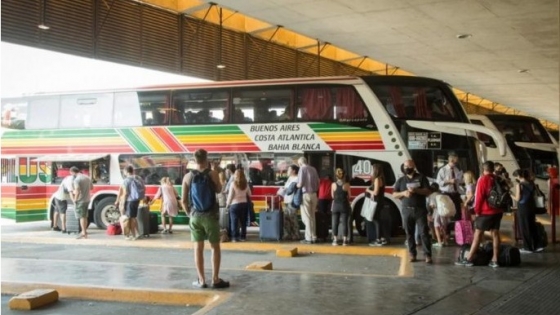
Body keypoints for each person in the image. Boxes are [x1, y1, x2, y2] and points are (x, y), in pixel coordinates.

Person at [181, 149, 229, 289]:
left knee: (198, 248)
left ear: (194, 160)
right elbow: (219, 190)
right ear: (206, 159)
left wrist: (189, 214)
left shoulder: (188, 177)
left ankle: (201, 281)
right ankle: (215, 279)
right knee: (215, 247)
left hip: (195, 216)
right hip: (211, 216)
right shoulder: (212, 173)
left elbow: (184, 200)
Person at [456, 161, 503, 268]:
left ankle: (469, 258)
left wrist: (477, 212)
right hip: (498, 211)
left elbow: (479, 197)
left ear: (483, 169)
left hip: (486, 211)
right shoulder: (497, 178)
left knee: (477, 234)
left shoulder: (483, 179)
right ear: (492, 169)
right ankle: (495, 259)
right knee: (495, 234)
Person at [393, 159, 433, 264]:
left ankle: (427, 255)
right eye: (405, 166)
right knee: (409, 233)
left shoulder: (421, 178)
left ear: (413, 166)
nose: (407, 168)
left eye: (409, 166)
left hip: (420, 210)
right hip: (407, 210)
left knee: (424, 232)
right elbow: (394, 194)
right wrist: (404, 193)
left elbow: (428, 191)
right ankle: (412, 254)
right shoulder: (401, 180)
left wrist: (416, 190)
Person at [511, 169, 543, 253]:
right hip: (531, 207)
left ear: (518, 176)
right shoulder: (532, 183)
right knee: (532, 226)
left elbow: (518, 198)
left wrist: (511, 195)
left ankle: (527, 247)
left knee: (524, 227)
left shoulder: (520, 185)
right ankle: (537, 246)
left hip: (523, 207)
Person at [115, 165, 144, 240]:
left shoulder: (126, 180)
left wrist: (122, 203)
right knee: (133, 217)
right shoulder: (138, 178)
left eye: (124, 171)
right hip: (137, 199)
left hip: (130, 200)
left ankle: (133, 235)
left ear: (126, 172)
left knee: (130, 218)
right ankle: (137, 233)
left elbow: (125, 193)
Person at [297, 156, 320, 244]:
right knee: (312, 217)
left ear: (300, 163)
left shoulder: (302, 169)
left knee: (306, 218)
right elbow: (318, 182)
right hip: (314, 194)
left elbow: (300, 184)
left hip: (306, 195)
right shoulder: (313, 169)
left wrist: (296, 186)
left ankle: (308, 238)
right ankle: (314, 236)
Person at [436, 151, 463, 221]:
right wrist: (449, 181)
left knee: (457, 213)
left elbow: (458, 180)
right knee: (447, 213)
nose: (457, 161)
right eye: (456, 159)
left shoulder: (456, 169)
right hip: (446, 194)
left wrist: (461, 180)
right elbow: (438, 182)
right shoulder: (443, 170)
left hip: (455, 193)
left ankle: (457, 229)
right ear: (451, 160)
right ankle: (447, 229)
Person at [226, 169, 251, 242]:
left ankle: (234, 237)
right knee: (243, 222)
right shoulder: (246, 184)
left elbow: (230, 196)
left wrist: (228, 204)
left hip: (234, 205)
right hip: (244, 204)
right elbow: (250, 194)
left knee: (234, 221)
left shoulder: (233, 183)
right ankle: (243, 237)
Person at [365, 163, 387, 246]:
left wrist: (368, 190)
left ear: (375, 170)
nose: (371, 171)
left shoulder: (377, 179)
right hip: (379, 201)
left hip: (377, 202)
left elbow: (376, 192)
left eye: (372, 169)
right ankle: (382, 238)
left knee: (375, 219)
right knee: (377, 219)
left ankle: (378, 239)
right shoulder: (381, 178)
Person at [277, 164, 301, 241]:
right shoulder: (290, 178)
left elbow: (291, 189)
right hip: (286, 200)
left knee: (293, 218)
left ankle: (296, 235)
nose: (287, 171)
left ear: (294, 171)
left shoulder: (297, 179)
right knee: (286, 218)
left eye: (289, 169)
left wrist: (285, 189)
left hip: (292, 200)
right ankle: (287, 234)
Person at [70, 166, 93, 240]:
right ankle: (84, 232)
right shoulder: (87, 177)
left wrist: (75, 199)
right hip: (87, 199)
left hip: (81, 200)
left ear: (73, 172)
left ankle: (83, 233)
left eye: (71, 173)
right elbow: (91, 188)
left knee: (81, 217)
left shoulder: (77, 180)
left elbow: (77, 190)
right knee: (85, 216)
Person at [331, 168, 350, 246]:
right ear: (343, 175)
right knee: (345, 223)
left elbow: (332, 196)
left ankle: (335, 240)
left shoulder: (333, 184)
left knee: (335, 223)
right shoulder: (347, 184)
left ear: (336, 176)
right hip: (344, 205)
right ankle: (344, 241)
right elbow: (350, 195)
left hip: (335, 206)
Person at [427, 183, 449, 247]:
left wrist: (430, 211)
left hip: (437, 212)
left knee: (436, 227)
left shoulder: (431, 195)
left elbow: (432, 205)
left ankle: (439, 242)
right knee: (443, 227)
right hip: (443, 212)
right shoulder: (441, 194)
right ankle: (445, 241)